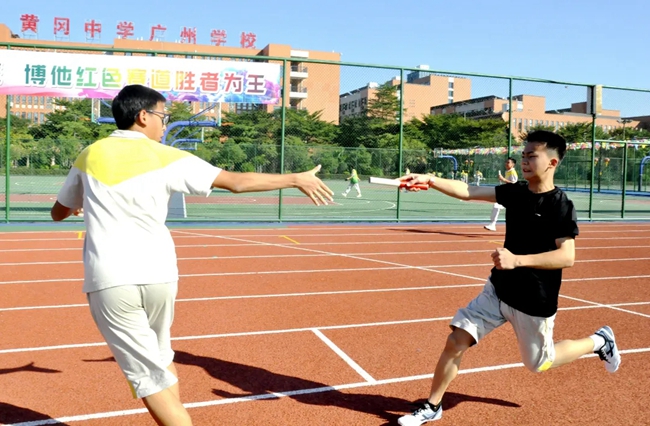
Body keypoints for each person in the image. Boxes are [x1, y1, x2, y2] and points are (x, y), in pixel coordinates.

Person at [50, 84, 333, 426]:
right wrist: (294, 179)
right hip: (160, 276)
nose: (165, 123)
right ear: (143, 116)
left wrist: (78, 205)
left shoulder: (90, 155)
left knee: (147, 377)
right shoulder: (167, 156)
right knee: (160, 358)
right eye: (163, 116)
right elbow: (236, 182)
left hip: (111, 279)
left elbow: (58, 212)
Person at [396, 130, 620, 426]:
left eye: (532, 156)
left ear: (552, 162)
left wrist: (517, 260)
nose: (524, 161)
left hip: (534, 300)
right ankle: (432, 406)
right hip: (498, 290)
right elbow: (468, 191)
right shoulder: (515, 193)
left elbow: (567, 257)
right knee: (456, 340)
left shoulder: (560, 205)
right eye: (523, 155)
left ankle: (599, 341)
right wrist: (430, 180)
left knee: (540, 363)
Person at [484, 157, 518, 231]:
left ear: (513, 164)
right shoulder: (508, 171)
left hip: (512, 196)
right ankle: (493, 224)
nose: (506, 164)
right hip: (508, 195)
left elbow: (514, 183)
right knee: (496, 206)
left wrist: (503, 179)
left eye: (508, 162)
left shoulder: (512, 172)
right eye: (506, 162)